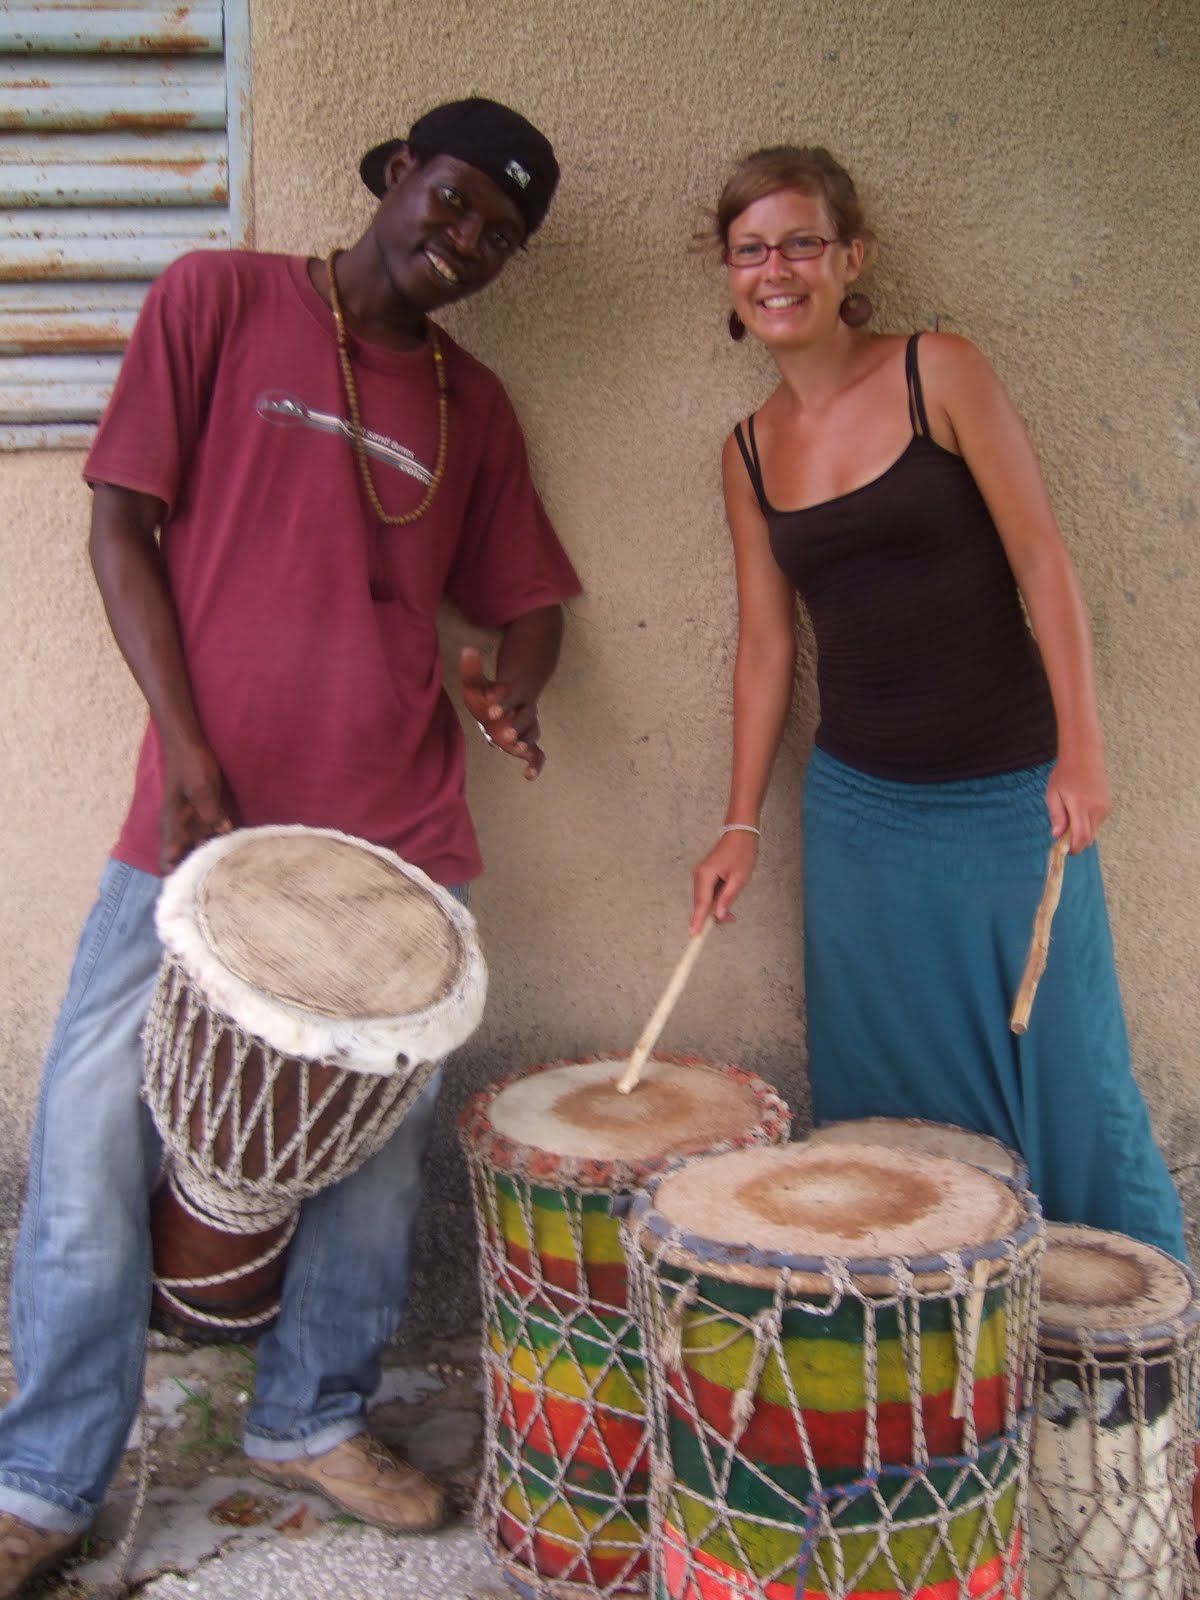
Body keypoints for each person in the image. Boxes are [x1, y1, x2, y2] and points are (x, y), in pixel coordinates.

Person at [0, 96, 580, 1598]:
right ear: (395, 173)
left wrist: (514, 684)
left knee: (375, 1172)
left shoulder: (477, 405)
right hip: (200, 832)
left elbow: (530, 601)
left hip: (397, 849)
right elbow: (120, 523)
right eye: (452, 203)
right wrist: (189, 751)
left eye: (498, 240)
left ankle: (308, 1419)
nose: (464, 244)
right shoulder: (220, 296)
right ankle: (45, 1479)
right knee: (84, 1147)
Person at [690, 145, 1185, 1264]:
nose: (777, 270)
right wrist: (740, 820)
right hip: (861, 819)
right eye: (750, 251)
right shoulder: (748, 452)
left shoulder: (937, 371)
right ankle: (931, 1359)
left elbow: (1042, 561)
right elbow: (768, 647)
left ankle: (1128, 1358)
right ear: (729, 276)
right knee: (888, 1103)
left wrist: (1083, 752)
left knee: (1071, 1075)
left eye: (801, 243)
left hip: (1015, 797)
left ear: (850, 255)